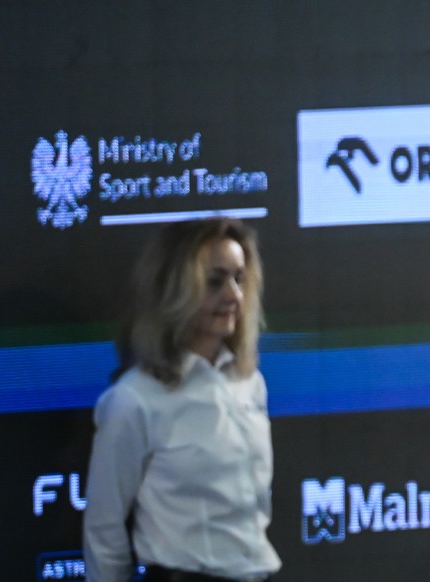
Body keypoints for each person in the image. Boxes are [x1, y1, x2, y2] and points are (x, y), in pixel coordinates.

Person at [83, 218, 281, 582]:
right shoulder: (134, 400)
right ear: (175, 289)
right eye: (215, 281)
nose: (234, 295)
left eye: (239, 278)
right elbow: (103, 531)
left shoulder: (249, 383)